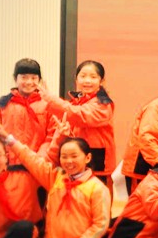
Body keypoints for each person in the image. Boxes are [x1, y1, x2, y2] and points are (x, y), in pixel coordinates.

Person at [0, 128, 112, 238]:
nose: (69, 161)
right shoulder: (56, 178)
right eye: (64, 156)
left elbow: (101, 224)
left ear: (88, 158)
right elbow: (32, 160)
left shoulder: (98, 188)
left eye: (74, 156)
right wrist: (10, 140)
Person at [42, 60, 115, 190]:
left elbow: (80, 115)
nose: (87, 81)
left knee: (97, 200)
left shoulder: (103, 104)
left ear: (101, 81)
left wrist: (51, 99)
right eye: (83, 76)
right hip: (75, 164)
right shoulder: (75, 102)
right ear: (76, 79)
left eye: (93, 77)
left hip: (97, 166)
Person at [0, 57, 53, 167]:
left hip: (37, 167)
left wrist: (39, 160)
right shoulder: (2, 104)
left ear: (40, 80)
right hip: (8, 167)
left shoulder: (48, 105)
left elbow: (52, 137)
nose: (29, 82)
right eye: (24, 77)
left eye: (33, 78)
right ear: (15, 78)